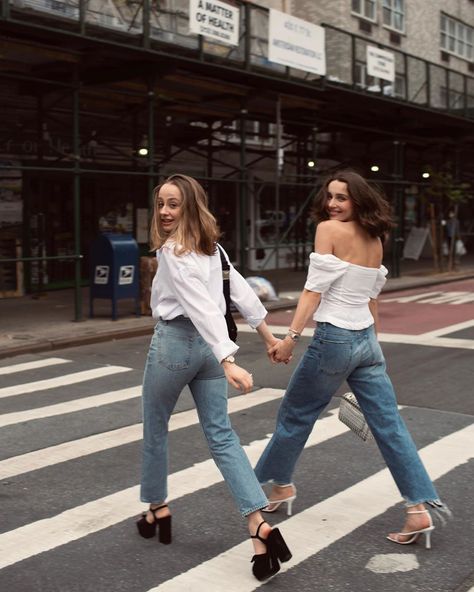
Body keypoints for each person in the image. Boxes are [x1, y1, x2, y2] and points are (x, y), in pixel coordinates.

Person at [254, 170, 449, 549]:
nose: (332, 204)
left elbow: (313, 291)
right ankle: (418, 507)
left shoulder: (329, 230)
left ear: (357, 199)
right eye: (330, 197)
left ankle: (278, 486)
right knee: (390, 426)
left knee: (296, 414)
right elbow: (372, 297)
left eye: (342, 197)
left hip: (335, 338)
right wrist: (370, 347)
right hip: (365, 341)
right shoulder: (376, 238)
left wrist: (290, 337)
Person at [137, 174, 291, 582]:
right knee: (222, 435)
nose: (165, 212)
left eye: (173, 204)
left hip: (178, 344)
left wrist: (229, 359)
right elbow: (239, 294)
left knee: (155, 428)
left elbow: (205, 306)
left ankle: (157, 507)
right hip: (209, 348)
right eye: (161, 204)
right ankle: (257, 524)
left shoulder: (174, 252)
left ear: (191, 206)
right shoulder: (214, 250)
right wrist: (266, 336)